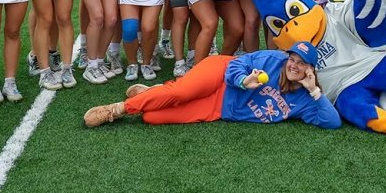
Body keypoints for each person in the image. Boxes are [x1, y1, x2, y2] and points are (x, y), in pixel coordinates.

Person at [82, 42, 341, 130]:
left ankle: (153, 93)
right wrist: (243, 80)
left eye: (301, 63)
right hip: (221, 74)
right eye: (292, 59)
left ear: (310, 69)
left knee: (152, 117)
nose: (293, 65)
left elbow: (332, 122)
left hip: (221, 108)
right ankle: (117, 109)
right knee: (182, 92)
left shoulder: (306, 101)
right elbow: (238, 64)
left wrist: (314, 91)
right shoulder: (274, 60)